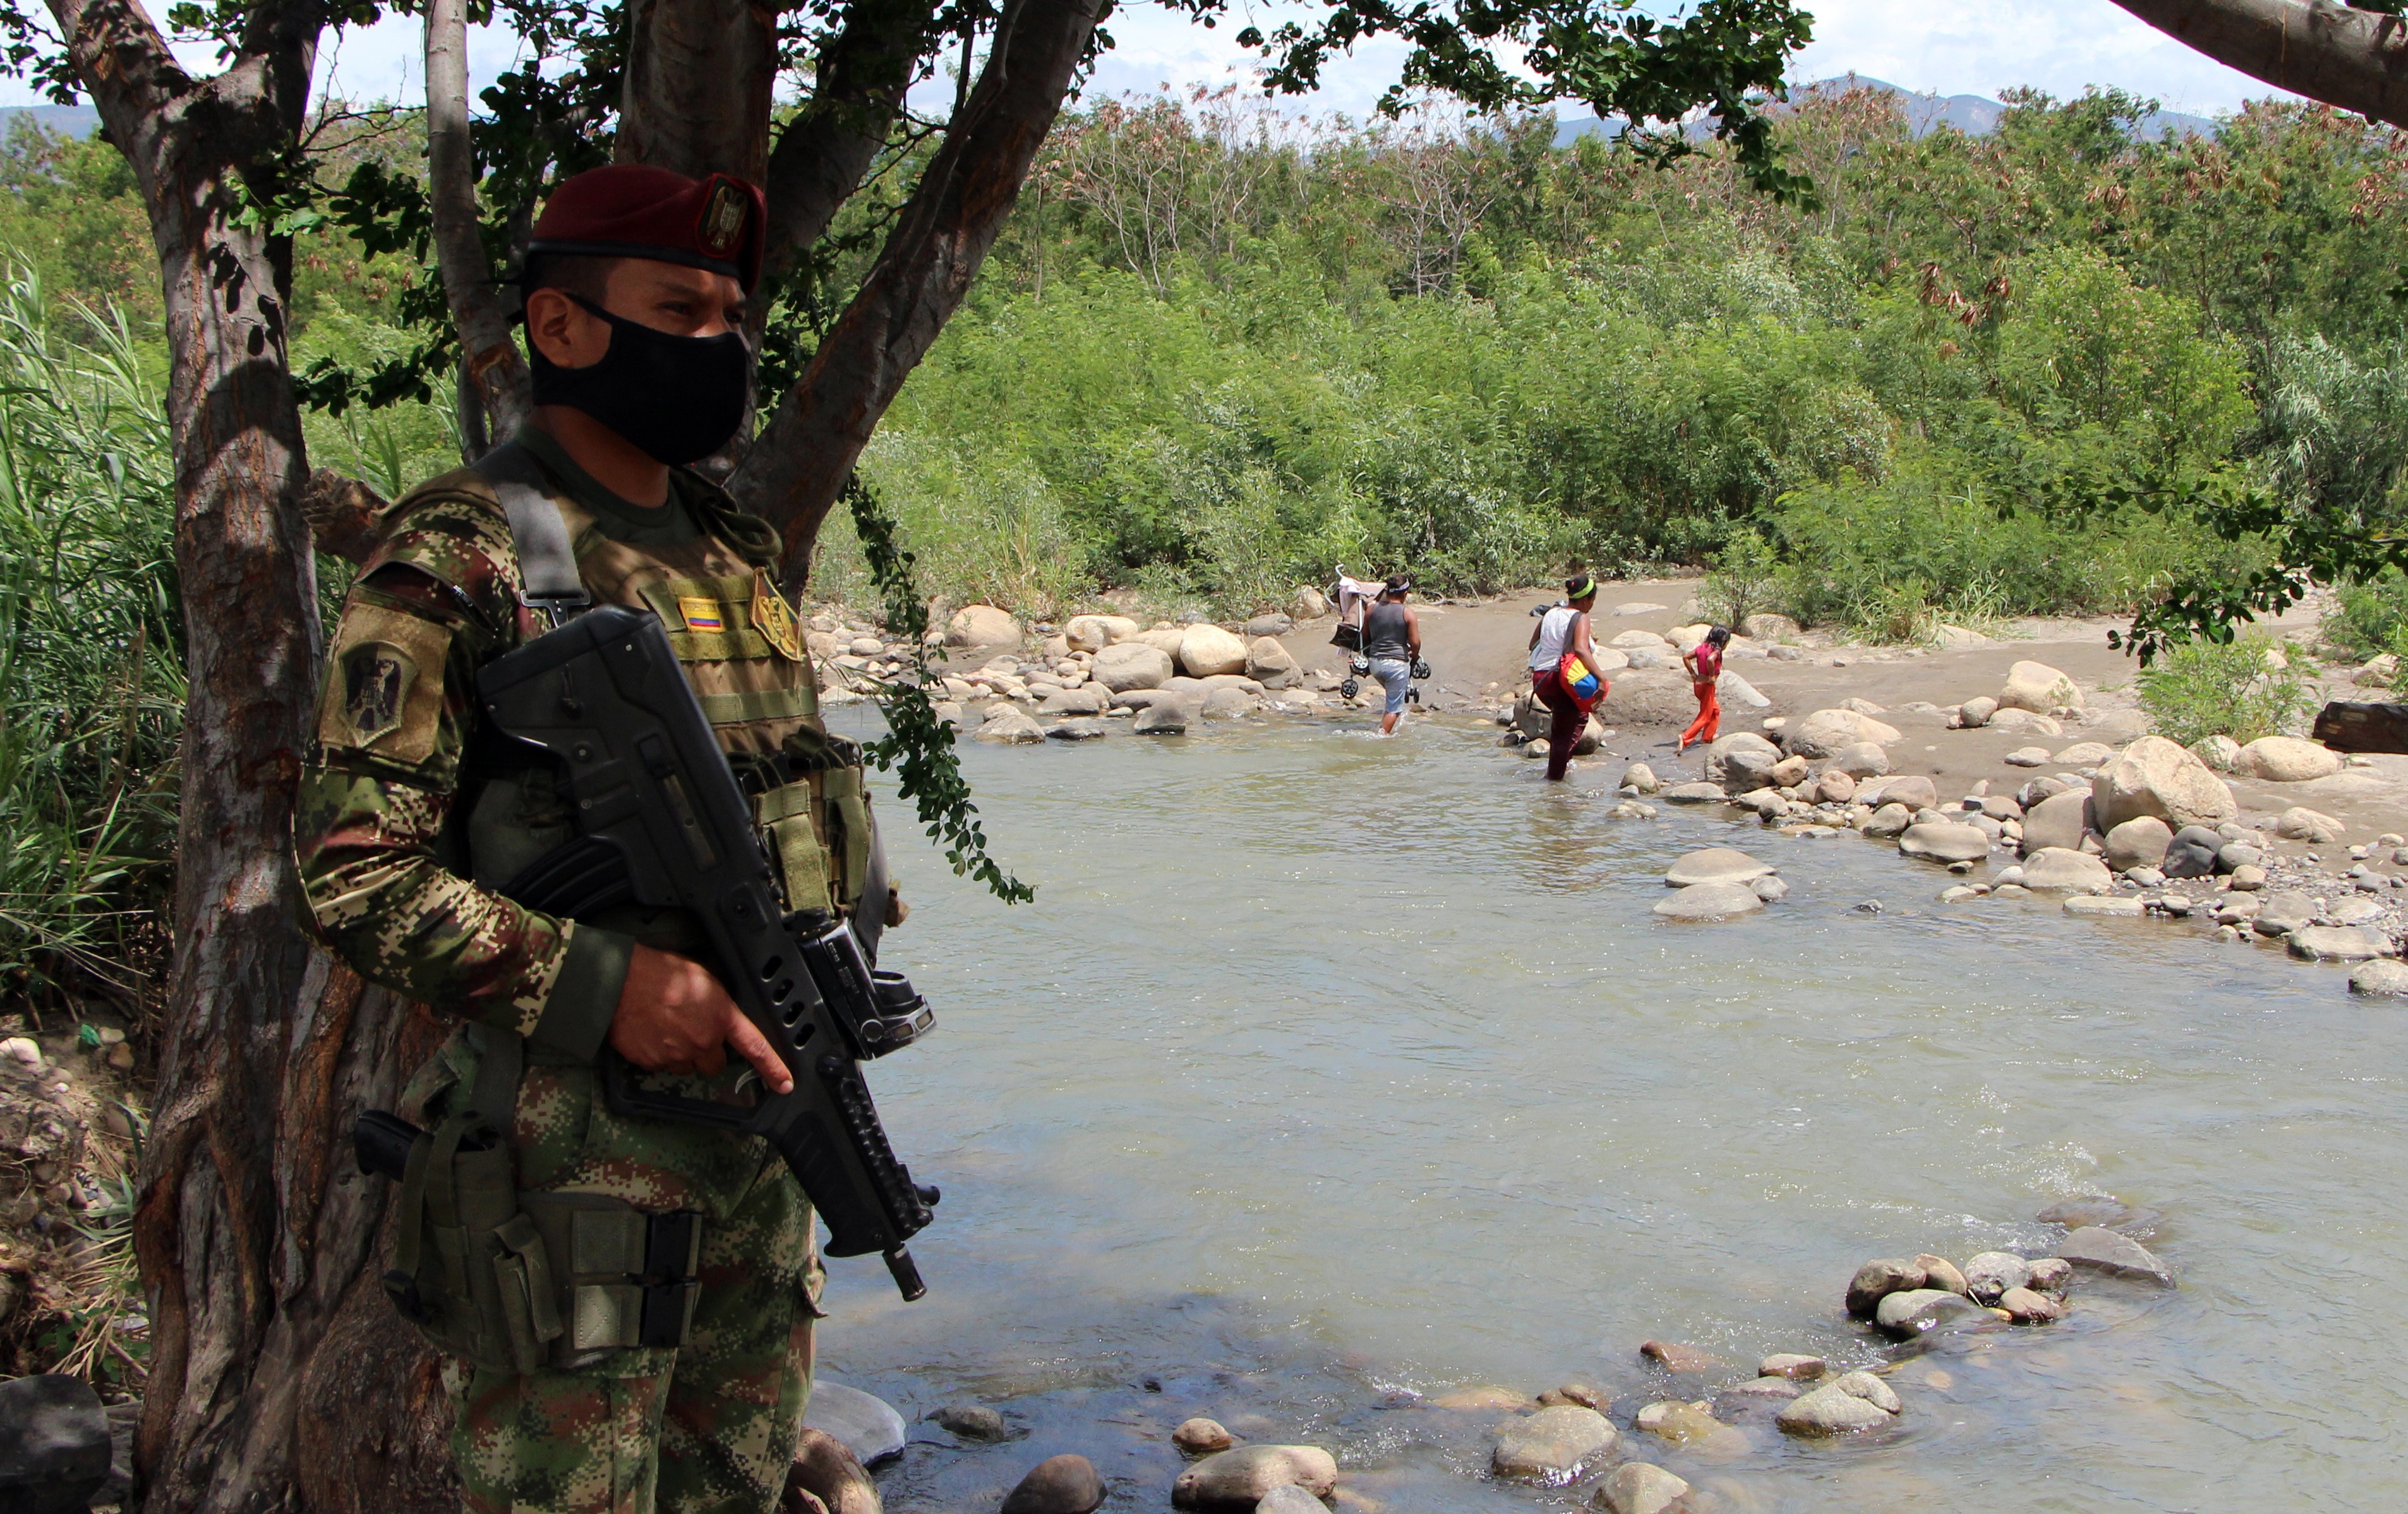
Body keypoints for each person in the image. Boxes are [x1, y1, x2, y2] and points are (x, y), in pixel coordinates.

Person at [293, 164, 898, 1514]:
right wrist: (609, 986)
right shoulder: (466, 549)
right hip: (571, 1166)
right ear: (561, 329)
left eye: (732, 314)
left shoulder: (725, 547)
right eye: (679, 307)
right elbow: (351, 875)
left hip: (754, 1132)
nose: (719, 344)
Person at [1527, 573, 1605, 781]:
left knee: (1579, 717)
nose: (1591, 606)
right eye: (1592, 601)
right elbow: (1580, 649)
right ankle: (1553, 784)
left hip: (1541, 679)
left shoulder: (1551, 614)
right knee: (1562, 734)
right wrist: (1602, 678)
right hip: (1562, 680)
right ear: (1586, 599)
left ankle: (1562, 763)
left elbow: (1532, 644)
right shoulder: (1581, 617)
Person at [1361, 574, 1422, 735]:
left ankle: (1390, 726)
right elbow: (1415, 643)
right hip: (1396, 665)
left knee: (1394, 699)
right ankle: (1381, 737)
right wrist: (1414, 657)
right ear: (1405, 593)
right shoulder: (1408, 613)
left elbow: (1365, 635)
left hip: (1375, 664)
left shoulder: (1372, 609)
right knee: (1393, 709)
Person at [1679, 624, 1732, 754]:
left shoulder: (1702, 648)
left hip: (1698, 684)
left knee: (1715, 710)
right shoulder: (1716, 652)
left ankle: (1707, 737)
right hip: (1708, 685)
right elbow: (1710, 659)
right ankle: (1686, 737)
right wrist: (1712, 676)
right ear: (1723, 641)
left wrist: (1692, 673)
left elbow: (1686, 657)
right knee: (1705, 716)